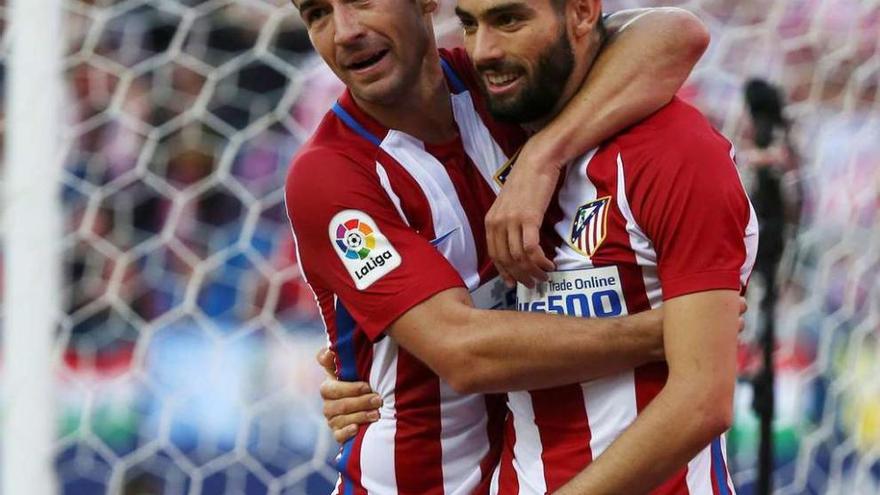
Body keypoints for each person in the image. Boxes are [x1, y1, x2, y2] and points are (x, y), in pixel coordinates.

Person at [315, 0, 758, 494]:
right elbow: (465, 353)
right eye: (469, 25)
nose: (485, 50)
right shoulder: (505, 108)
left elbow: (676, 32)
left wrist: (541, 157)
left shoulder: (670, 151)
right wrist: (664, 332)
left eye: (508, 19)